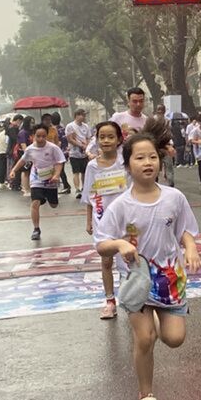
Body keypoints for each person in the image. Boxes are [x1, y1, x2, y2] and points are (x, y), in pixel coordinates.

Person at [95, 120, 201, 400]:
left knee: (174, 338)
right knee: (144, 339)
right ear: (128, 164)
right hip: (137, 279)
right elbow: (101, 244)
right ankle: (146, 398)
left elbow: (185, 230)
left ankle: (155, 319)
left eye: (152, 156)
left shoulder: (174, 198)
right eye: (140, 157)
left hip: (169, 279)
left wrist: (191, 248)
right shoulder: (120, 206)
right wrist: (119, 244)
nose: (147, 163)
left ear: (160, 160)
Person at [82, 121, 127, 319]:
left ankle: (131, 298)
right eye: (102, 137)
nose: (106, 141)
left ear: (119, 140)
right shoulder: (92, 166)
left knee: (129, 260)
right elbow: (89, 196)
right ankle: (110, 301)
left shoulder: (126, 162)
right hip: (103, 221)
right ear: (97, 140)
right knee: (106, 261)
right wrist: (89, 221)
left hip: (126, 220)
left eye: (111, 137)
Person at [9, 124, 66, 241]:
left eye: (43, 136)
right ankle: (36, 229)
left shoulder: (53, 148)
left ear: (47, 136)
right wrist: (14, 170)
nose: (41, 139)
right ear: (33, 136)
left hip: (50, 179)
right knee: (35, 203)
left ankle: (44, 199)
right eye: (38, 136)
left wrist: (56, 175)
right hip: (36, 179)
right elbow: (22, 160)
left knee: (54, 205)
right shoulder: (30, 149)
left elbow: (60, 162)